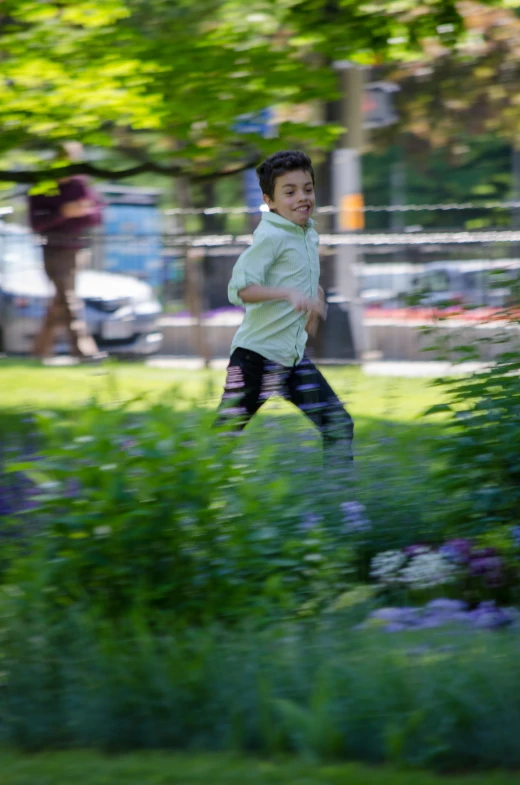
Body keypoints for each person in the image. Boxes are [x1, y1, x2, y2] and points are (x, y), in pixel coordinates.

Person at [216, 150, 354, 462]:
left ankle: (340, 504)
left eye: (307, 188)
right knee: (223, 439)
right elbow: (239, 289)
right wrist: (289, 294)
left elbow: (297, 275)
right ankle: (196, 500)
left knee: (338, 425)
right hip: (254, 360)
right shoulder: (271, 235)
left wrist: (313, 295)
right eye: (289, 192)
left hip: (291, 360)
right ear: (270, 201)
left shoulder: (307, 234)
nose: (302, 198)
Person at [28, 142, 106, 362]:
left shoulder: (80, 185)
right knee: (67, 298)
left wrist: (83, 211)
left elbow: (96, 217)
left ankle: (39, 351)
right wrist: (62, 213)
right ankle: (83, 349)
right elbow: (36, 223)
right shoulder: (43, 186)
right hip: (53, 249)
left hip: (76, 248)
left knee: (60, 300)